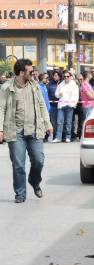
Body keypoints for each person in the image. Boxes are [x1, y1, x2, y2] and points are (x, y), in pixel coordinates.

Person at [0, 59, 53, 203]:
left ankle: (34, 181)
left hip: (35, 130)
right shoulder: (6, 87)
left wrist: (48, 123)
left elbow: (42, 105)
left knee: (39, 160)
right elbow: (1, 108)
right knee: (18, 165)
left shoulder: (35, 86)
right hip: (15, 132)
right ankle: (20, 193)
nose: (33, 73)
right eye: (30, 71)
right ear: (21, 72)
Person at [54, 70, 79, 143]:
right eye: (64, 76)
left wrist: (72, 104)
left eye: (67, 76)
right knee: (59, 122)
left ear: (70, 77)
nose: (66, 78)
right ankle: (58, 137)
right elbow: (56, 94)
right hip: (61, 105)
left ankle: (68, 137)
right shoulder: (61, 84)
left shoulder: (74, 85)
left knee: (68, 122)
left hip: (69, 105)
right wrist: (59, 95)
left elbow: (76, 96)